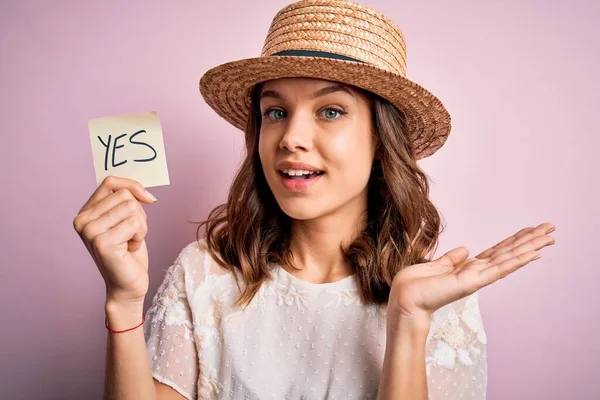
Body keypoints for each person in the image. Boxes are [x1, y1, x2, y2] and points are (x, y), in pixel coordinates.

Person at [73, 0, 556, 399]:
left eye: (330, 110)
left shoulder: (441, 302)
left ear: (381, 145)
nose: (291, 138)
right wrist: (122, 303)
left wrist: (408, 321)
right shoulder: (203, 275)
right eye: (276, 111)